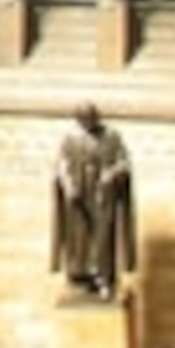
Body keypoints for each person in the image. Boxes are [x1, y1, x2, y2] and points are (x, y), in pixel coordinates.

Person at [52, 102, 136, 300]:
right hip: (79, 198)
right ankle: (79, 277)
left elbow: (124, 162)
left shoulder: (111, 137)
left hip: (102, 197)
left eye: (91, 120)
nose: (88, 124)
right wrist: (68, 185)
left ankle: (103, 277)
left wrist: (112, 173)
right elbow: (61, 165)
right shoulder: (70, 139)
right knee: (79, 238)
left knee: (103, 238)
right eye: (84, 121)